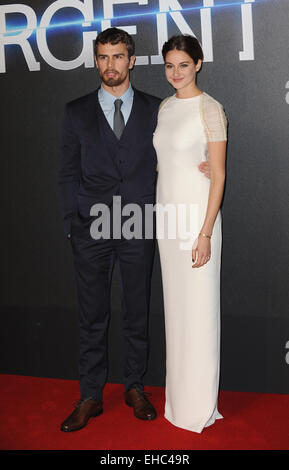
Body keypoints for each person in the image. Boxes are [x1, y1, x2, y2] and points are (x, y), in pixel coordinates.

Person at [59, 27, 210, 432]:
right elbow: (68, 173)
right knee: (93, 315)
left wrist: (207, 166)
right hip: (91, 229)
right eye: (103, 57)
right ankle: (90, 394)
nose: (110, 65)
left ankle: (134, 387)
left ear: (131, 60)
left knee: (136, 313)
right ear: (96, 60)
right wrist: (74, 223)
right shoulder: (76, 111)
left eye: (118, 56)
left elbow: (179, 149)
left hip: (140, 225)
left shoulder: (156, 109)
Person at [153, 34, 227, 433]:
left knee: (199, 313)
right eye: (169, 65)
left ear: (198, 64)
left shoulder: (211, 109)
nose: (175, 72)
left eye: (183, 64)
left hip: (198, 221)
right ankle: (178, 400)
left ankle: (198, 406)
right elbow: (166, 165)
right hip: (169, 221)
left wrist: (205, 233)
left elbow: (218, 174)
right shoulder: (165, 108)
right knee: (176, 314)